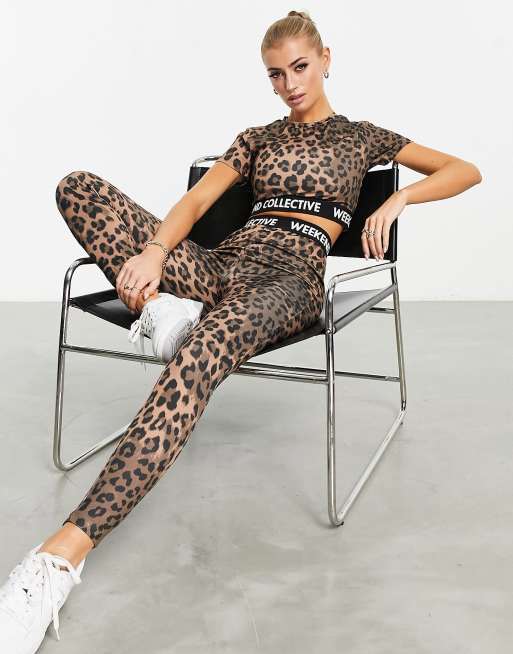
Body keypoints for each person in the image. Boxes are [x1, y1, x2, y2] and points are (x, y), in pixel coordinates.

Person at [0, 9, 482, 653]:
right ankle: (164, 309)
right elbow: (199, 202)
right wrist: (154, 255)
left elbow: (463, 169)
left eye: (300, 68)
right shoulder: (256, 137)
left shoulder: (362, 137)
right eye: (275, 75)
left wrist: (398, 199)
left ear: (326, 59)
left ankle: (57, 560)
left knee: (200, 353)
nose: (290, 85)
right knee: (78, 188)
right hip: (223, 262)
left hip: (289, 280)